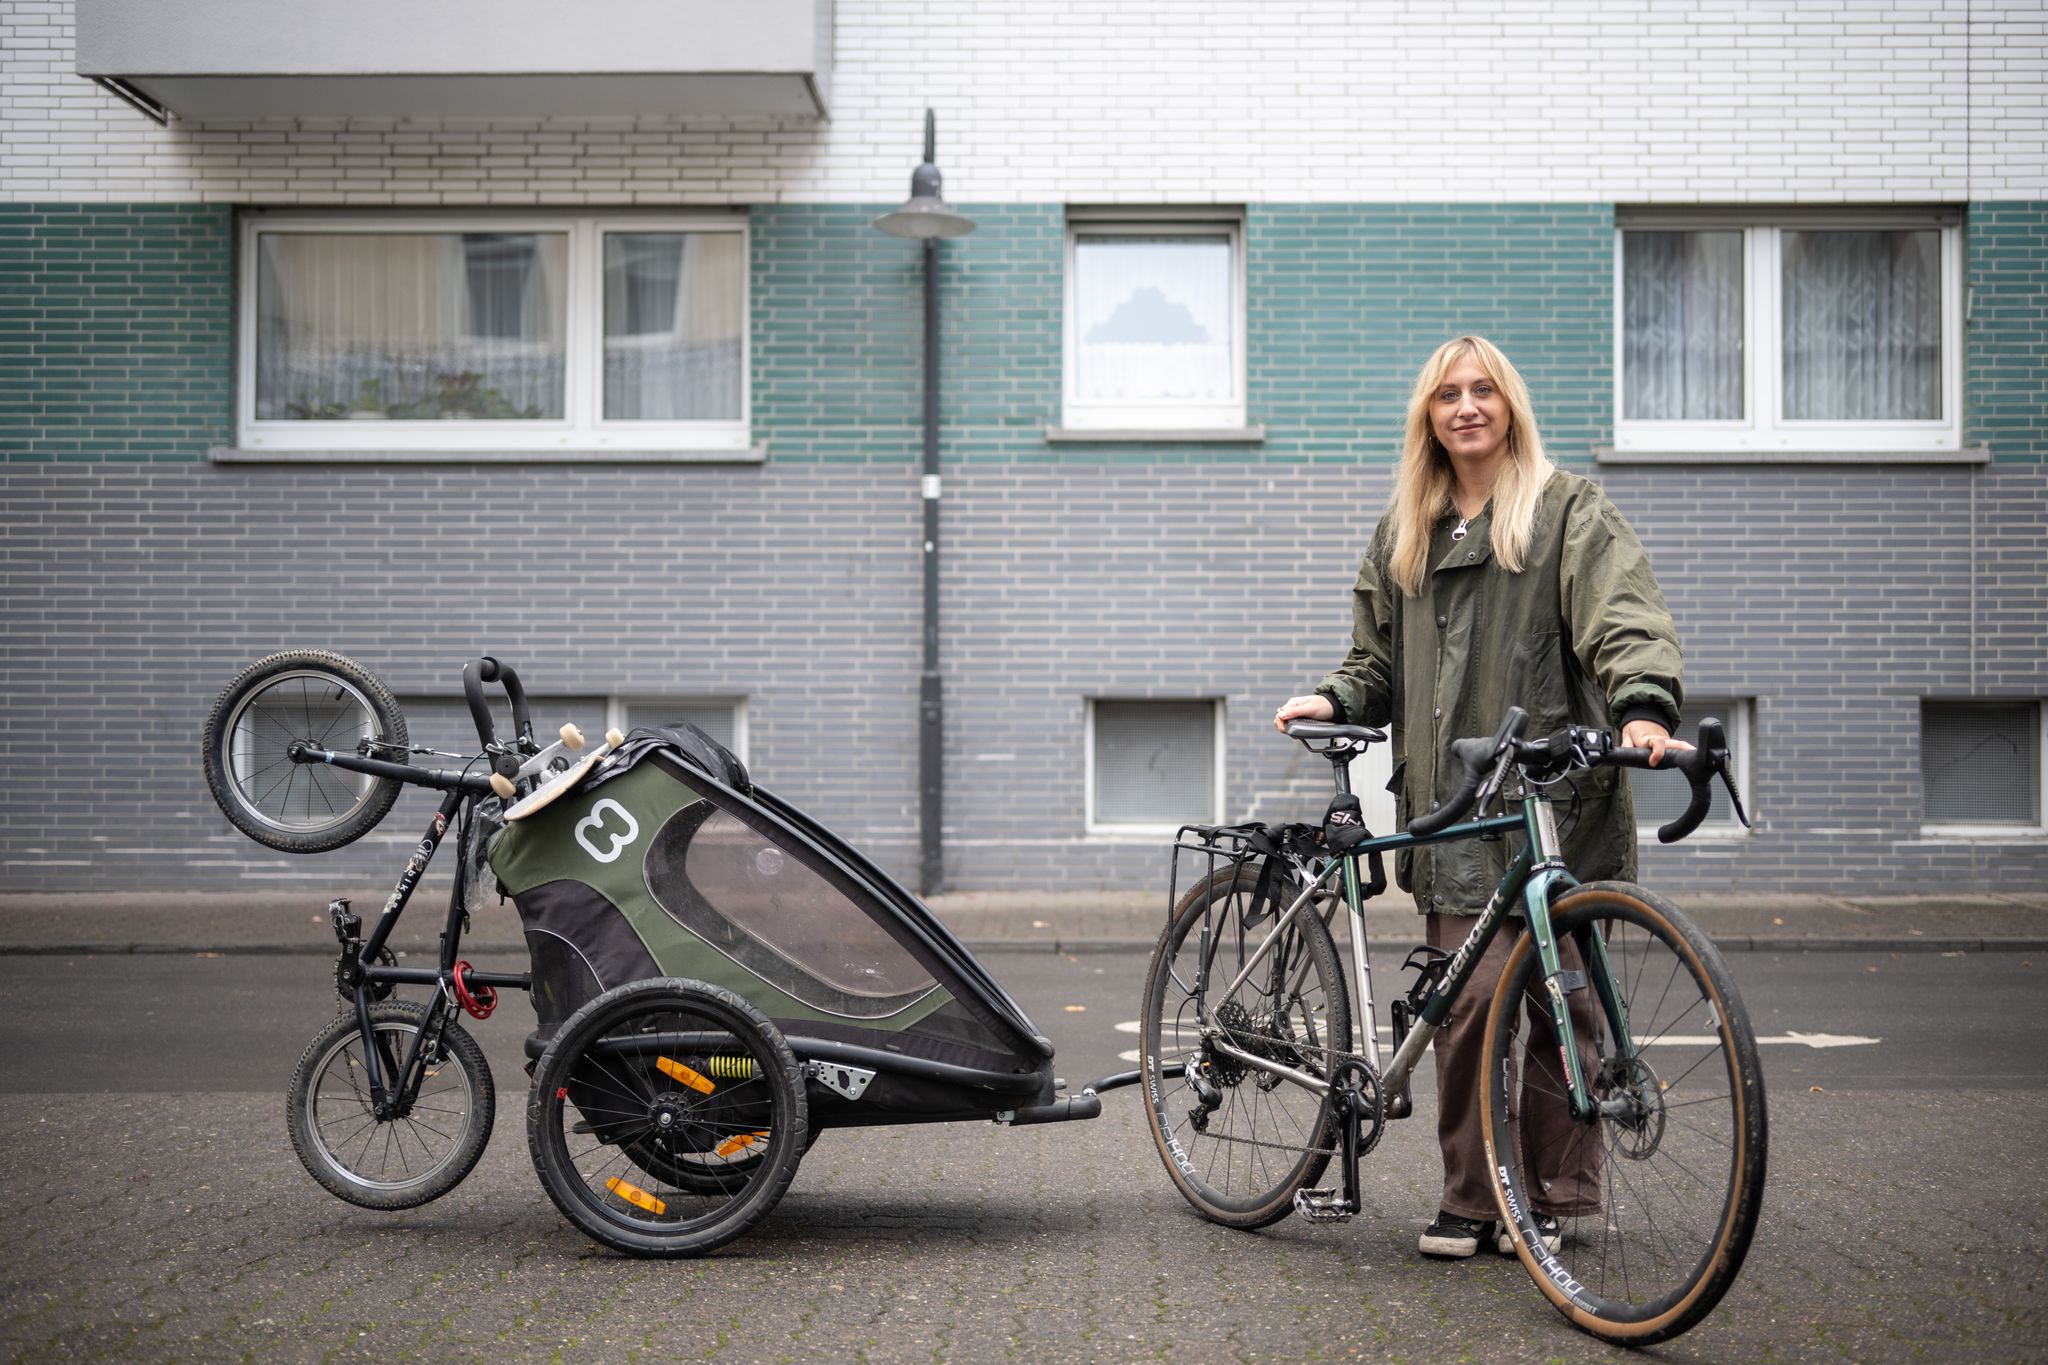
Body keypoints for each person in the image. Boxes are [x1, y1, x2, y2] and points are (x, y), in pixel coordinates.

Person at [1273, 335, 1689, 1260]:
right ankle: (1472, 1196)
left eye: (1484, 390)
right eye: (1448, 394)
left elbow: (1623, 615)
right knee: (1466, 1012)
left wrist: (1642, 706)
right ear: (1429, 416)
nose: (1466, 406)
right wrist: (1336, 698)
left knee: (1565, 1008)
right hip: (1462, 808)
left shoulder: (1566, 510)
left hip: (1559, 806)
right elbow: (1375, 662)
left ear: (1510, 407)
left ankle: (1550, 1196)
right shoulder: (1407, 531)